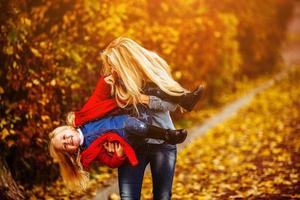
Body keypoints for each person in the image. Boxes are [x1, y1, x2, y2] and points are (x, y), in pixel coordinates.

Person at [98, 37, 205, 200]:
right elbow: (109, 114)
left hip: (163, 145)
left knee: (162, 196)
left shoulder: (154, 66)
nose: (112, 70)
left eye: (114, 65)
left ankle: (187, 98)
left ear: (126, 61)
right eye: (110, 66)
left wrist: (143, 99)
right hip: (133, 146)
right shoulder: (113, 81)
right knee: (127, 197)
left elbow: (172, 105)